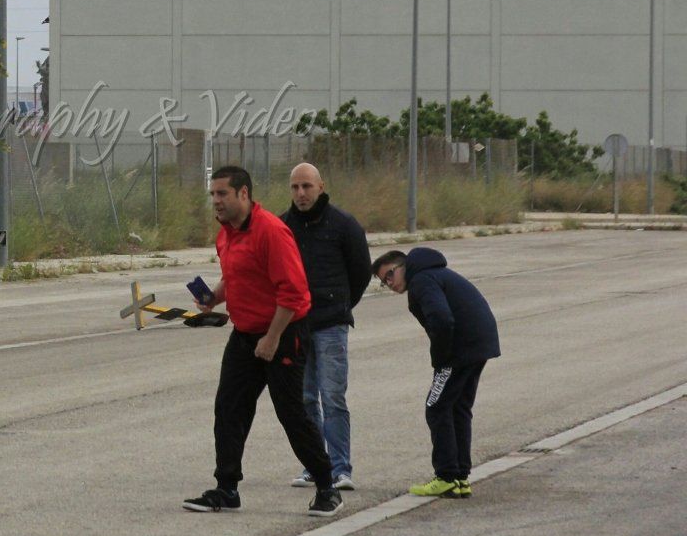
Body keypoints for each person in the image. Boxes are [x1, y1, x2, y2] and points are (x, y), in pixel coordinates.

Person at [184, 166, 343, 518]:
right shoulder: (226, 234)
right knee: (229, 409)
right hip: (244, 335)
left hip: (283, 334)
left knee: (292, 414)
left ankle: (327, 487)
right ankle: (226, 488)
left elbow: (294, 292)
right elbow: (235, 276)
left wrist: (272, 338)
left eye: (222, 194)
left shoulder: (272, 231)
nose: (216, 201)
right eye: (213, 195)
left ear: (244, 194)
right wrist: (214, 298)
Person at [372, 248, 500, 499]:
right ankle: (460, 477)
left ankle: (446, 476)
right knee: (458, 408)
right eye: (382, 282)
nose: (389, 284)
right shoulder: (434, 274)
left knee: (437, 406)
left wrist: (441, 359)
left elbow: (441, 319)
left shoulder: (422, 281)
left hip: (460, 350)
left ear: (403, 266)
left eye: (389, 275)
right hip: (478, 345)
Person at [280, 163, 371, 490]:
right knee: (305, 399)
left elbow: (361, 272)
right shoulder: (283, 226)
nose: (301, 194)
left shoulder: (344, 225)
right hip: (297, 326)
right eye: (295, 187)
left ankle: (340, 468)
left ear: (321, 186)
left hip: (331, 325)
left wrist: (340, 306)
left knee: (333, 397)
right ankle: (314, 465)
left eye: (306, 186)